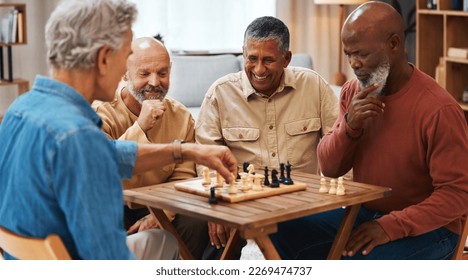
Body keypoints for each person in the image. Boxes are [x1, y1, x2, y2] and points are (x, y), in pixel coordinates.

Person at [0, 0, 237, 260]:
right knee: (166, 242)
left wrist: (184, 151)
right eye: (125, 55)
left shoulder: (21, 108)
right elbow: (109, 260)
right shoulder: (78, 136)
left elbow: (108, 154)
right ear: (103, 59)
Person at [271, 1, 468, 260]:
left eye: (362, 54)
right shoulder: (354, 91)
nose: (354, 64)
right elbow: (330, 168)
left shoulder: (439, 109)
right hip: (365, 213)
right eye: (348, 54)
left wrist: (389, 227)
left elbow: (457, 195)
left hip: (433, 228)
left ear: (394, 44)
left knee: (359, 263)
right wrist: (350, 126)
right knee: (280, 229)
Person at [195, 16, 338, 257]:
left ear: (287, 59)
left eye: (268, 60)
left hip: (303, 207)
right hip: (240, 209)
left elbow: (340, 145)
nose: (259, 70)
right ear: (243, 54)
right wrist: (216, 205)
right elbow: (205, 159)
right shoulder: (220, 94)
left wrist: (347, 204)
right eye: (252, 58)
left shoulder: (314, 86)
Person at [93, 37, 210, 259]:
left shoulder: (182, 117)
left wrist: (160, 215)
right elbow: (101, 171)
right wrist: (141, 126)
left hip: (158, 204)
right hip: (113, 204)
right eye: (144, 74)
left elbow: (183, 178)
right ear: (124, 74)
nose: (155, 82)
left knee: (198, 220)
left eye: (163, 73)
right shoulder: (101, 113)